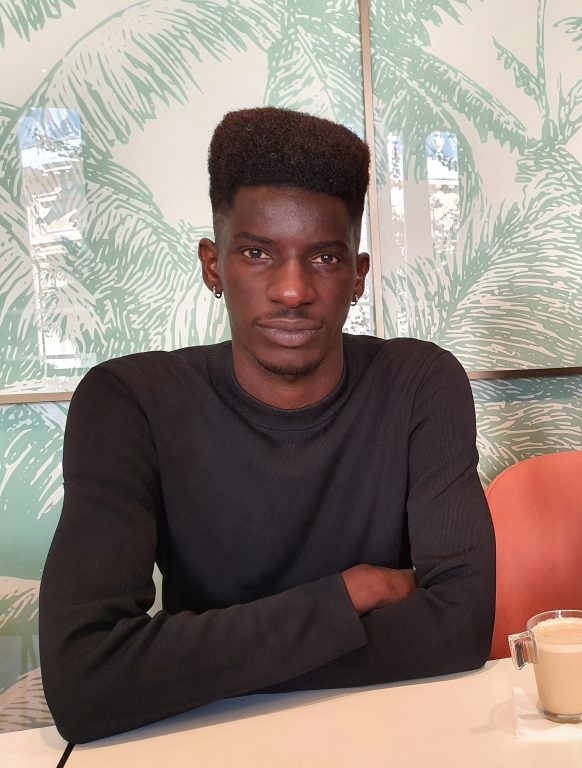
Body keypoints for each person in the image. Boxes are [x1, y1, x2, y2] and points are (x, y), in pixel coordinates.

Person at [39, 107, 496, 743]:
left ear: (358, 277)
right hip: (208, 744)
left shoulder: (419, 383)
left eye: (325, 258)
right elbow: (85, 679)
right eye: (257, 253)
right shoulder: (129, 402)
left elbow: (459, 629)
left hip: (393, 735)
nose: (291, 291)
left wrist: (182, 667)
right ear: (213, 265)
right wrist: (347, 595)